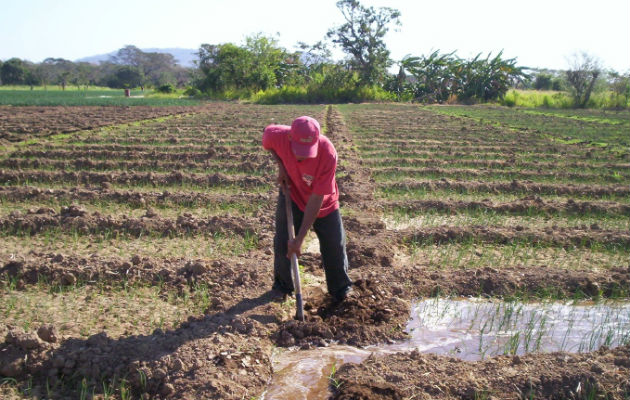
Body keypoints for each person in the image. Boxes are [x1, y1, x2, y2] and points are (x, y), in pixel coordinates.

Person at [262, 116, 352, 302]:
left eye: (308, 151)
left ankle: (340, 290)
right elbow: (267, 141)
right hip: (292, 194)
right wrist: (281, 166)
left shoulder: (328, 153)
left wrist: (300, 238)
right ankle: (282, 288)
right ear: (289, 138)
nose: (302, 156)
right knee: (282, 242)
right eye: (299, 150)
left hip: (323, 203)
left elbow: (317, 197)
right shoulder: (277, 135)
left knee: (335, 244)